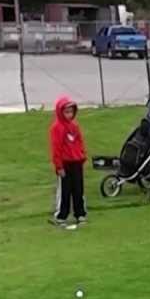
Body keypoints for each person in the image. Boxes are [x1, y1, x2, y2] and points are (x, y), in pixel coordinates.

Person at [48, 95, 87, 227]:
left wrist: (82, 156)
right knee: (64, 191)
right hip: (64, 164)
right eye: (66, 112)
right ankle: (61, 216)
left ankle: (80, 214)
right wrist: (59, 166)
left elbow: (80, 142)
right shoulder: (56, 128)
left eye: (71, 112)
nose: (69, 115)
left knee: (78, 189)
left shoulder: (75, 126)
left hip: (77, 162)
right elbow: (56, 148)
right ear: (60, 112)